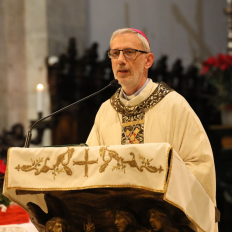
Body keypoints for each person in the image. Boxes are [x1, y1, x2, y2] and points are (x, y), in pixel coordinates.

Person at [86, 28, 217, 231]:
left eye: (129, 52)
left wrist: (158, 186)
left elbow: (200, 165)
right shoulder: (106, 111)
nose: (120, 59)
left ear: (148, 60)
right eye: (115, 53)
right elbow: (89, 165)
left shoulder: (173, 105)